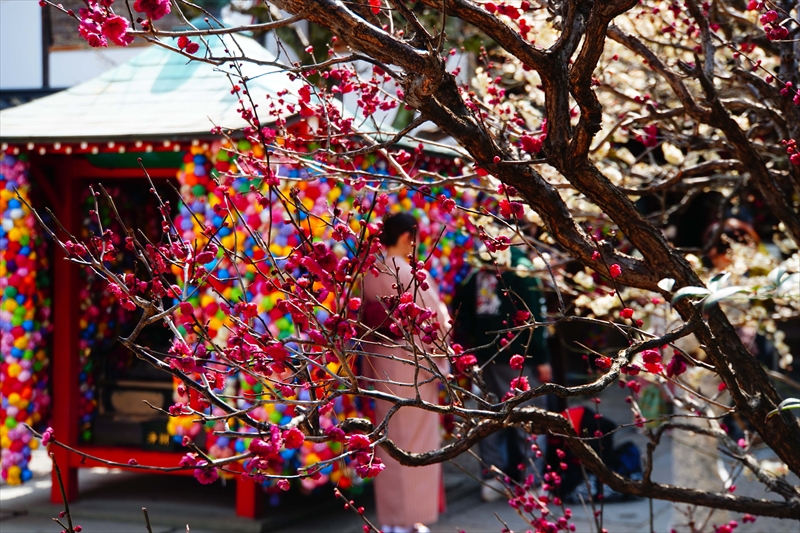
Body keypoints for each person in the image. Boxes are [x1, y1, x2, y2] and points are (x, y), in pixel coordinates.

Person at [362, 213, 451, 533]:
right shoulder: (404, 269)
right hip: (411, 363)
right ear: (404, 237)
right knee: (415, 441)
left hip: (381, 362)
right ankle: (407, 519)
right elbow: (435, 319)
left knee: (388, 439)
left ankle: (391, 519)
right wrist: (444, 354)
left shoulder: (370, 272)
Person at [451, 245, 551, 502]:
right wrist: (541, 358)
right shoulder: (522, 271)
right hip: (517, 358)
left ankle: (492, 479)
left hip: (484, 357)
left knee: (492, 417)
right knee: (528, 418)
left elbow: (460, 309)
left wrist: (472, 343)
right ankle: (533, 483)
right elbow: (536, 318)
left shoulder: (479, 272)